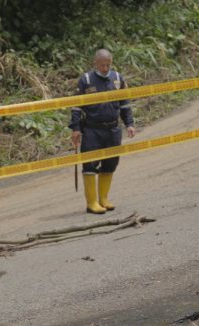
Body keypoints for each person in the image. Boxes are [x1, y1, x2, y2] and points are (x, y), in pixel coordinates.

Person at [70, 49, 136, 214]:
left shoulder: (117, 78)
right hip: (92, 130)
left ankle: (104, 199)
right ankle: (92, 202)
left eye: (108, 65)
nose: (106, 68)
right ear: (96, 63)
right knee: (90, 164)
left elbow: (124, 103)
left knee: (110, 163)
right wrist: (76, 128)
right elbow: (76, 106)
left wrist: (129, 123)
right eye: (102, 65)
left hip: (113, 129)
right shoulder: (86, 80)